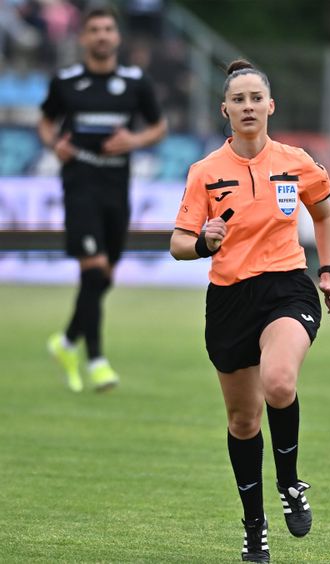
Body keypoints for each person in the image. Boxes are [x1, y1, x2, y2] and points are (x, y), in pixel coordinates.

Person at [170, 59, 330, 563]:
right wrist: (203, 243)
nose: (247, 106)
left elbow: (324, 214)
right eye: (238, 100)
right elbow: (178, 243)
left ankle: (289, 482)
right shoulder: (205, 172)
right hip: (230, 299)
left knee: (279, 382)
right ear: (224, 110)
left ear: (271, 106)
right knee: (244, 422)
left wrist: (327, 272)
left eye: (255, 98)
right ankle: (254, 528)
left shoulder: (297, 162)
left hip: (287, 287)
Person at [38, 6, 167, 392]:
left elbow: (159, 126)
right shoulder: (66, 82)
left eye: (108, 29)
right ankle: (96, 360)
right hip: (80, 184)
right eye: (94, 29)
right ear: (83, 37)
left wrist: (134, 140)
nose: (102, 35)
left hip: (117, 186)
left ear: (117, 36)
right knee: (93, 272)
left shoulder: (135, 82)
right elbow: (45, 121)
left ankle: (66, 342)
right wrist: (54, 144)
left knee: (104, 276)